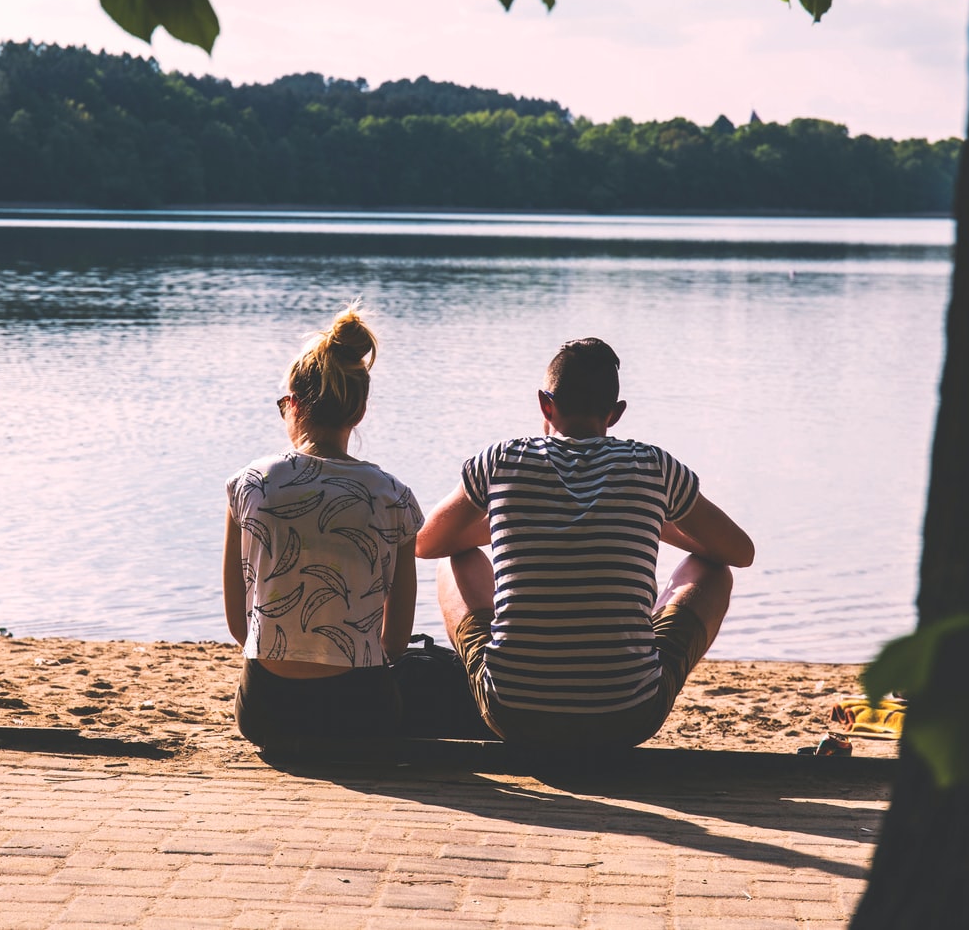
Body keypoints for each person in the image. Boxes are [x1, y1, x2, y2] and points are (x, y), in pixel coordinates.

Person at [415, 337, 754, 749]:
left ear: (545, 404)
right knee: (713, 569)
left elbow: (428, 543)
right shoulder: (653, 466)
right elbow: (739, 552)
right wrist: (650, 515)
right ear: (615, 414)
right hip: (629, 715)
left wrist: (515, 515)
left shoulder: (502, 460)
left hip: (512, 712)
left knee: (454, 558)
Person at [223, 303, 422, 750]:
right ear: (360, 411)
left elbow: (241, 627)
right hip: (361, 713)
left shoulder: (249, 484)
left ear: (292, 406)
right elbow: (395, 641)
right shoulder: (394, 495)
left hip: (266, 711)